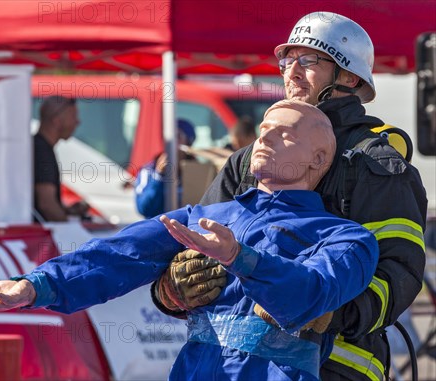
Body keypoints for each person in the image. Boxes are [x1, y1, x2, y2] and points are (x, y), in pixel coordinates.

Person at [0, 100, 380, 380]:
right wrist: (36, 285)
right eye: (264, 129)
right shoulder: (207, 217)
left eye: (284, 135)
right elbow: (119, 254)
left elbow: (309, 295)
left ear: (319, 160)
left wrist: (240, 258)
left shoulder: (348, 239)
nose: (265, 139)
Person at [152, 11, 428, 381]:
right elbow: (200, 240)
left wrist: (329, 313)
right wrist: (172, 289)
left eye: (310, 60)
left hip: (336, 365)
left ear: (348, 77)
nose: (292, 71)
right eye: (288, 59)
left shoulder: (375, 165)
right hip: (237, 362)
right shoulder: (249, 160)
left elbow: (399, 270)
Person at [33, 95, 89, 222]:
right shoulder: (41, 151)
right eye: (73, 116)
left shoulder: (41, 147)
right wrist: (70, 231)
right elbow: (47, 205)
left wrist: (67, 211)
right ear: (57, 120)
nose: (77, 122)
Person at [134, 119, 197, 218]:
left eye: (177, 136)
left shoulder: (197, 171)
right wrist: (158, 177)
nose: (172, 142)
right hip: (159, 227)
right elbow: (144, 208)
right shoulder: (149, 171)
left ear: (188, 143)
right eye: (168, 137)